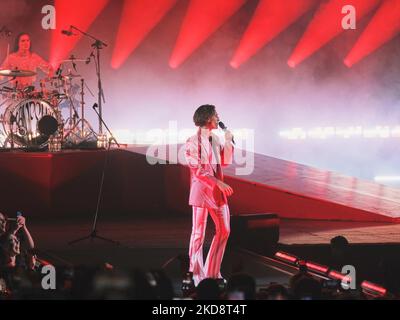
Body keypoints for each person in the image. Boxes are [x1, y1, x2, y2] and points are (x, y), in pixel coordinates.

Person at [185, 104, 234, 286]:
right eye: (215, 115)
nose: (218, 117)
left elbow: (225, 161)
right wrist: (217, 182)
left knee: (225, 230)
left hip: (216, 192)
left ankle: (212, 272)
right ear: (207, 118)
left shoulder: (215, 139)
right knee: (198, 233)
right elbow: (197, 170)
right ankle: (196, 275)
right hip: (202, 191)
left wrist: (228, 141)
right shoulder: (192, 141)